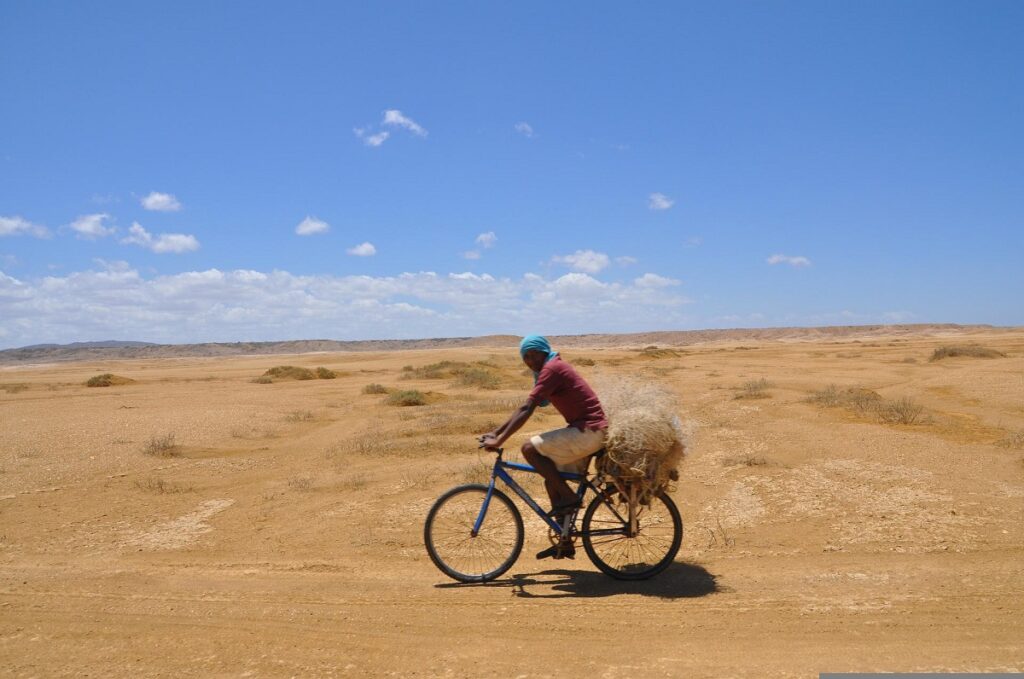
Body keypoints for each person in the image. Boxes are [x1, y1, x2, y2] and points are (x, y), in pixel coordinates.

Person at [479, 335, 608, 559]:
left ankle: (570, 498)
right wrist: (496, 432)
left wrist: (499, 439)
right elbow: (524, 408)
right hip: (589, 432)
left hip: (589, 431)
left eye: (532, 355)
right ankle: (564, 541)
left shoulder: (553, 369)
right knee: (552, 479)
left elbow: (527, 407)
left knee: (529, 449)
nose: (529, 361)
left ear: (542, 351)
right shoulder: (552, 367)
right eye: (524, 357)